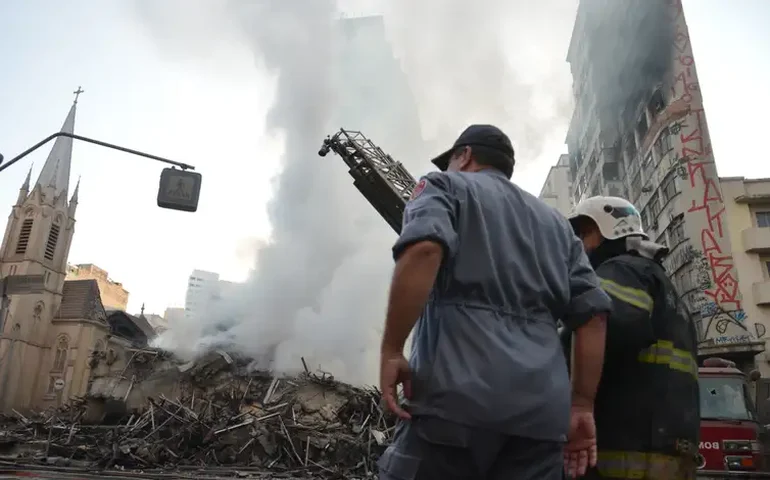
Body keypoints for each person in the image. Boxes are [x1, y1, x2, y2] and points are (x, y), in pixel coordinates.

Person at [376, 124, 612, 480]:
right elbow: (593, 316)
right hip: (539, 422)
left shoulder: (443, 186)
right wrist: (581, 404)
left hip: (453, 405)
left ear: (465, 155)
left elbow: (424, 249)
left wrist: (392, 349)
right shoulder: (557, 226)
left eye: (451, 161)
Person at [561, 195, 700, 479]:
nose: (579, 245)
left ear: (604, 231)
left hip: (625, 453)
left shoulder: (620, 271)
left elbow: (602, 326)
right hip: (668, 451)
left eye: (584, 233)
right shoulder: (663, 285)